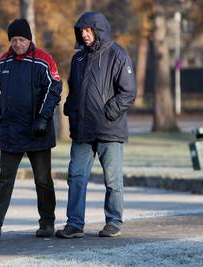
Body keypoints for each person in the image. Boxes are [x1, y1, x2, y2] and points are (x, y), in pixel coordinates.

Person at [0, 18, 62, 239]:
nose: (17, 44)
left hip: (37, 131)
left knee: (43, 180)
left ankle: (47, 223)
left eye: (21, 39)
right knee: (5, 178)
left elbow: (54, 89)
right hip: (11, 132)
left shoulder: (44, 60)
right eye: (13, 40)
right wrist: (0, 120)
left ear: (29, 39)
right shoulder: (3, 62)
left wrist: (43, 119)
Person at [56, 12, 136, 239]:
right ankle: (74, 224)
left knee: (112, 180)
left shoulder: (117, 54)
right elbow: (74, 89)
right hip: (82, 131)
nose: (85, 34)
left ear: (99, 31)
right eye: (81, 31)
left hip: (109, 130)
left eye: (89, 30)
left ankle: (113, 222)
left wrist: (108, 113)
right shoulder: (78, 58)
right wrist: (70, 109)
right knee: (76, 176)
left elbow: (128, 92)